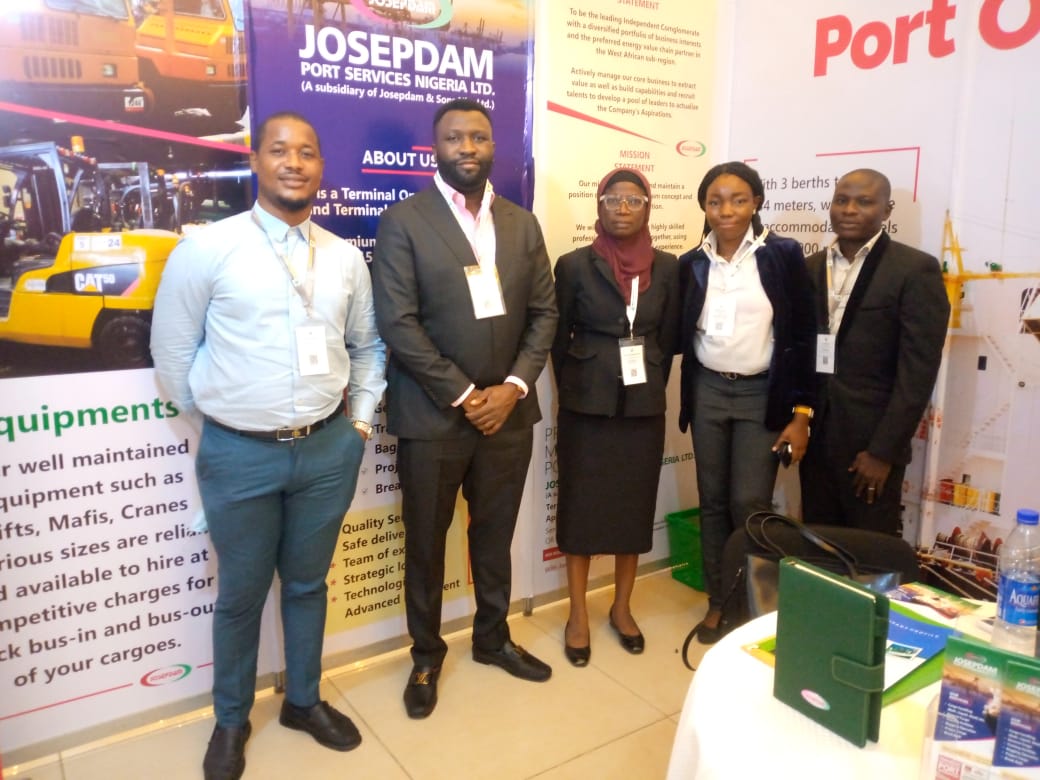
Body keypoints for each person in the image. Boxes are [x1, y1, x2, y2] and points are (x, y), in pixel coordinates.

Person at [150, 111, 386, 780]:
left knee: (308, 584)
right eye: (279, 150)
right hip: (239, 455)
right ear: (255, 161)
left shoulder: (343, 258)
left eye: (307, 152)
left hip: (327, 451)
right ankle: (231, 719)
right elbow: (173, 356)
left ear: (321, 167)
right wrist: (225, 427)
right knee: (241, 595)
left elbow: (368, 347)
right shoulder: (208, 249)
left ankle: (303, 701)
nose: (294, 162)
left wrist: (359, 424)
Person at [371, 98, 558, 719]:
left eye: (478, 137)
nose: (467, 148)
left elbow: (544, 314)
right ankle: (427, 655)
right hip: (433, 417)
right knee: (426, 543)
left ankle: (493, 638)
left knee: (495, 535)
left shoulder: (522, 224)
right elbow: (398, 323)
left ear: (494, 146)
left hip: (509, 415)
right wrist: (465, 394)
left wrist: (513, 387)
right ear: (436, 147)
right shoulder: (405, 221)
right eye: (455, 138)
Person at [677, 161, 816, 644]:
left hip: (763, 394)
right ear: (704, 207)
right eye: (715, 201)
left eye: (738, 200)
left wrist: (802, 413)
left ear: (756, 202)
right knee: (713, 503)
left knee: (750, 504)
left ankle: (755, 603)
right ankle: (719, 602)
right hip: (709, 391)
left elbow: (804, 335)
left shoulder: (783, 255)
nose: (726, 210)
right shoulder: (692, 262)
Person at [551, 168, 679, 666]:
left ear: (648, 207)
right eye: (613, 199)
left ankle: (622, 607)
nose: (623, 208)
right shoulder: (573, 265)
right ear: (599, 206)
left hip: (643, 406)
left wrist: (647, 376)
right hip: (586, 404)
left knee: (633, 506)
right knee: (580, 507)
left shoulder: (668, 267)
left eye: (634, 200)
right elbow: (557, 338)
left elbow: (668, 338)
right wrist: (579, 382)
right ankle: (577, 614)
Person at [801, 169, 949, 535]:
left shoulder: (914, 269)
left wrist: (883, 452)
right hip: (816, 440)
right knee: (818, 544)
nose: (849, 209)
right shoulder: (811, 267)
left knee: (870, 550)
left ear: (887, 210)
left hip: (870, 446)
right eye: (841, 200)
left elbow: (917, 373)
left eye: (864, 202)